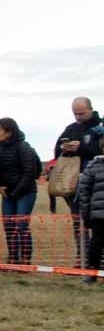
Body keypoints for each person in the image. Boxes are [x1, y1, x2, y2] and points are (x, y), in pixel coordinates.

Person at [54, 97, 101, 267]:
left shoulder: (100, 128)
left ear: (91, 109)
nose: (78, 117)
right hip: (75, 183)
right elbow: (57, 149)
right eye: (75, 113)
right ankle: (83, 256)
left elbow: (99, 151)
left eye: (82, 113)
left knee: (97, 221)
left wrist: (81, 147)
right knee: (78, 221)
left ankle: (97, 258)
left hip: (97, 183)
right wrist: (64, 149)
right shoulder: (71, 129)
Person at [0, 118, 39, 265]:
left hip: (25, 192)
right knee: (9, 225)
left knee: (21, 225)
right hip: (7, 193)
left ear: (9, 132)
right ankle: (13, 256)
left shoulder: (23, 147)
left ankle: (25, 259)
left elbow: (30, 172)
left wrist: (16, 192)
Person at [77, 136, 104, 284]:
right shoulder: (93, 166)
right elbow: (84, 193)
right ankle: (92, 273)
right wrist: (86, 214)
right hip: (98, 215)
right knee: (96, 245)